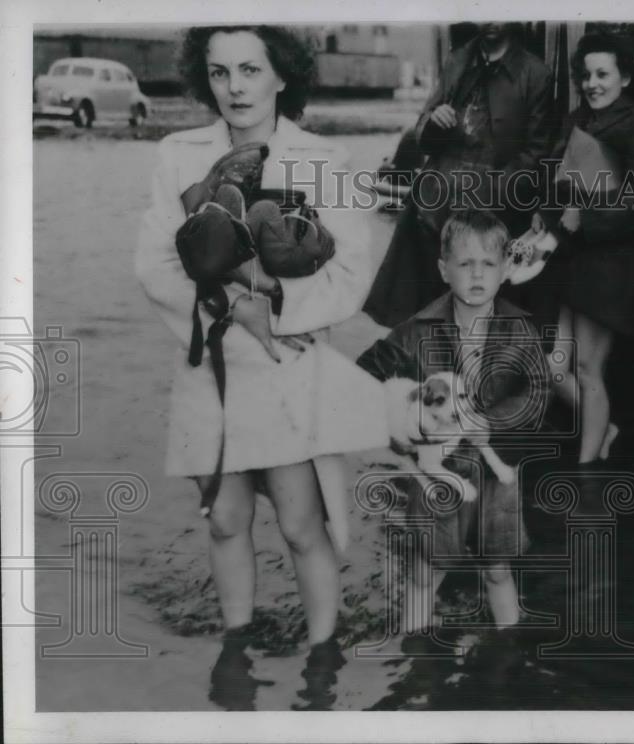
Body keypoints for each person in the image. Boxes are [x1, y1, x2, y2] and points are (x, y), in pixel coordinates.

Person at [135, 25, 387, 709]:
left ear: (282, 76)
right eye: (219, 73)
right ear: (204, 77)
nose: (235, 87)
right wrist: (228, 308)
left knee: (303, 524)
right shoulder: (176, 154)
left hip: (288, 366)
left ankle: (323, 659)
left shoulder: (324, 158)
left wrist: (274, 305)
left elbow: (353, 275)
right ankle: (236, 649)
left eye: (250, 70)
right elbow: (154, 266)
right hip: (211, 361)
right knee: (224, 519)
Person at [357, 209, 550, 643]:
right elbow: (365, 375)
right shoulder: (414, 329)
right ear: (444, 270)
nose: (477, 275)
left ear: (505, 271)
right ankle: (415, 652)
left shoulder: (520, 329)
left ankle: (508, 649)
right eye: (465, 264)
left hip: (497, 468)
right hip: (433, 474)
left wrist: (492, 423)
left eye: (488, 264)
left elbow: (537, 393)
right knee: (427, 570)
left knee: (497, 569)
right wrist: (397, 428)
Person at [363, 22, 554, 330]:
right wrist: (433, 122)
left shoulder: (536, 74)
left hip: (492, 207)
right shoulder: (458, 60)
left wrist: (489, 197)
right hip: (434, 205)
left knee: (478, 314)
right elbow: (424, 125)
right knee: (424, 313)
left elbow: (535, 153)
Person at [538, 32, 634, 466]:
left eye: (603, 74)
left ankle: (587, 466)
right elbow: (556, 179)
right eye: (586, 75)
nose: (592, 83)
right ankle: (604, 426)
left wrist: (584, 219)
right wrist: (547, 214)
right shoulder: (576, 118)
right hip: (572, 260)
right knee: (555, 368)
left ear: (624, 77)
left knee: (590, 370)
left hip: (608, 264)